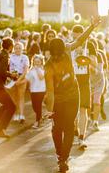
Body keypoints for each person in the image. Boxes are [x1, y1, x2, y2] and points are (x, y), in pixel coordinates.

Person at [45, 38, 80, 172]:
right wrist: (50, 110)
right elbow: (50, 91)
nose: (58, 56)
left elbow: (80, 41)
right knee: (63, 128)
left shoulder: (49, 64)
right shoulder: (49, 65)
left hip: (69, 97)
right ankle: (63, 157)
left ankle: (62, 157)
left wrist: (92, 27)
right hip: (66, 98)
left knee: (61, 128)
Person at [0, 38, 18, 138]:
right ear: (11, 46)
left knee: (7, 105)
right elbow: (1, 71)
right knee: (12, 106)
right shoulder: (4, 55)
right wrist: (12, 75)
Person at [9, 42, 29, 123]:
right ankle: (16, 115)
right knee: (14, 97)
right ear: (14, 49)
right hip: (13, 78)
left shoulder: (25, 57)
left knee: (21, 97)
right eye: (16, 48)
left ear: (22, 49)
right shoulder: (11, 57)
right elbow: (10, 68)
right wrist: (13, 77)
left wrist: (19, 79)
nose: (17, 50)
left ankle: (21, 115)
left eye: (19, 48)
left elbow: (26, 70)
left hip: (22, 78)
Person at [87, 40, 105, 131]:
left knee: (96, 101)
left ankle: (95, 122)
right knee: (88, 102)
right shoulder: (82, 56)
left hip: (98, 81)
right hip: (87, 82)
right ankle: (89, 118)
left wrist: (92, 67)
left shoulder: (99, 55)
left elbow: (99, 71)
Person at [26, 54, 46, 128]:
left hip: (41, 90)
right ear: (33, 62)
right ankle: (40, 117)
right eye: (35, 62)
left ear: (41, 62)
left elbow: (41, 77)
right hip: (33, 90)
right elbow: (28, 79)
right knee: (34, 106)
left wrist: (37, 69)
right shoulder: (31, 70)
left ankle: (37, 122)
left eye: (38, 62)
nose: (36, 63)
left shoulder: (43, 70)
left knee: (38, 106)